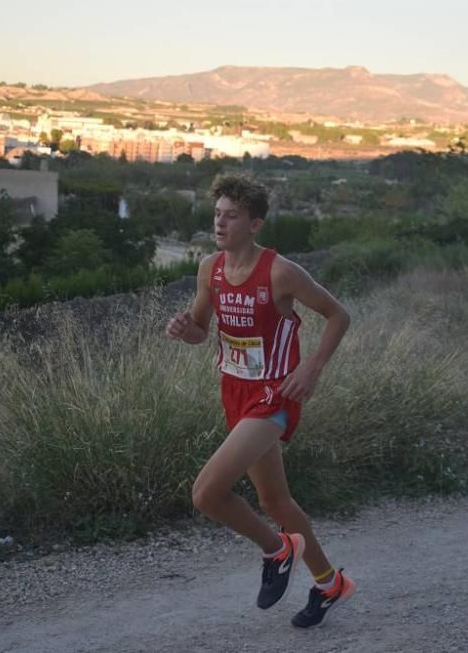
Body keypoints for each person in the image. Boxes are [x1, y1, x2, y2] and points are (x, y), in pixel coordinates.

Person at [164, 173, 356, 628]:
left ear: (255, 224)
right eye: (217, 215)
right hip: (234, 390)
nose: (220, 223)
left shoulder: (280, 272)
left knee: (207, 493)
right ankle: (330, 584)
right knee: (275, 502)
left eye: (232, 216)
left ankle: (278, 549)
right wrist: (184, 331)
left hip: (275, 394)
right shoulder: (209, 268)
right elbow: (199, 331)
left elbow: (338, 315)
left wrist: (310, 369)